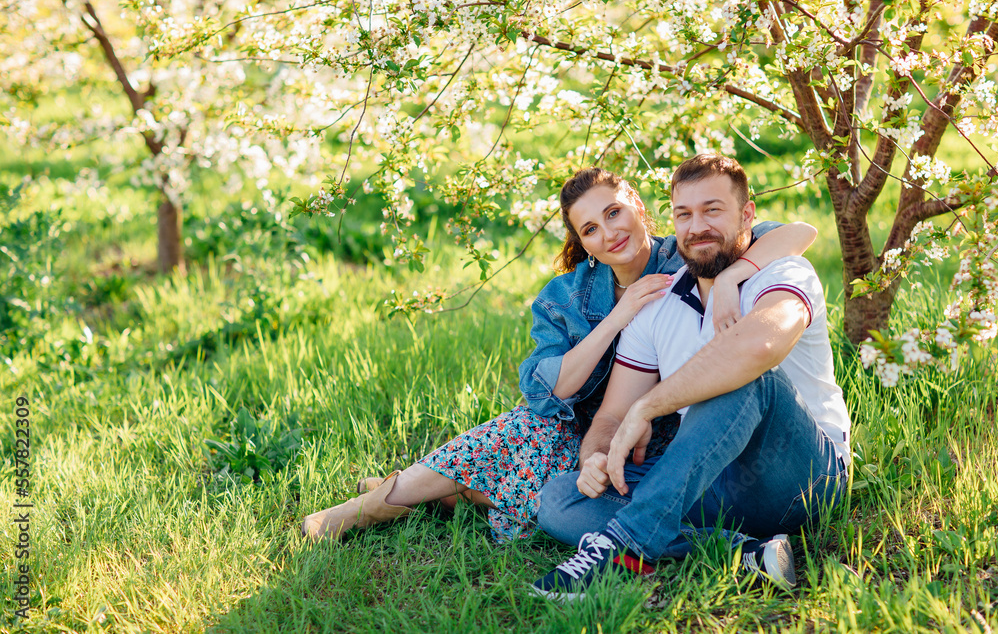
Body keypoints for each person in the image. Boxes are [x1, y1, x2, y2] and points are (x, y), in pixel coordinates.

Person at [301, 166, 818, 543]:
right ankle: (386, 502)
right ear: (582, 242)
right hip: (590, 423)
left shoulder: (687, 252)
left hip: (668, 428)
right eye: (590, 229)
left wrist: (733, 276)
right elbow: (549, 391)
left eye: (614, 213)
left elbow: (795, 233)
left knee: (531, 475)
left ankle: (428, 494)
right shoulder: (568, 296)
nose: (609, 233)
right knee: (531, 442)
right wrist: (618, 317)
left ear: (639, 207)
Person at [531, 154, 851, 601]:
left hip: (800, 476)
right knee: (560, 500)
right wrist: (598, 458)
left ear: (747, 215)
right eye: (684, 214)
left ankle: (626, 546)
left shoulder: (784, 271)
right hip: (709, 480)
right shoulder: (658, 301)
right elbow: (612, 415)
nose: (697, 227)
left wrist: (649, 406)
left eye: (712, 210)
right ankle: (740, 552)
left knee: (745, 376)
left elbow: (758, 350)